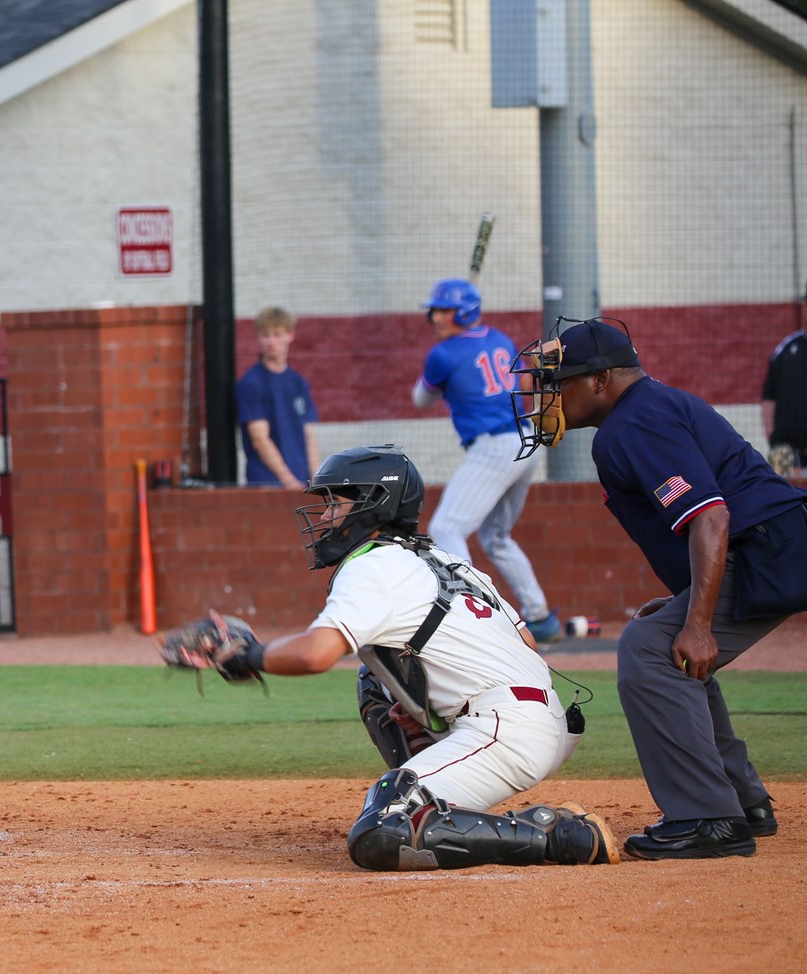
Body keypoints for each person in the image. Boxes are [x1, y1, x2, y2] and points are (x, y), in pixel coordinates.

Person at [160, 444, 616, 872]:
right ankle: (428, 792)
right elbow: (526, 646)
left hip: (505, 732)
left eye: (337, 503)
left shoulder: (372, 565)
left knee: (381, 831)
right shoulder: (448, 559)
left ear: (373, 505)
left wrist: (251, 655)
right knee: (376, 677)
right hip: (540, 720)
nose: (326, 516)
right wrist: (427, 702)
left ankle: (555, 835)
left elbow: (318, 653)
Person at [512, 318, 807, 860]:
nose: (548, 396)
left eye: (559, 382)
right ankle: (741, 803)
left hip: (770, 551)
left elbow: (711, 516)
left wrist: (697, 621)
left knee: (648, 649)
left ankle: (710, 819)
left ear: (600, 380)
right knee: (663, 642)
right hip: (776, 545)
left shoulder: (635, 423)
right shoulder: (643, 412)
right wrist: (688, 605)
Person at [414, 279, 560, 643]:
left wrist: (439, 368)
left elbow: (420, 399)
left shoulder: (442, 354)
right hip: (525, 443)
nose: (435, 317)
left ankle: (474, 611)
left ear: (464, 312)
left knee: (446, 529)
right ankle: (540, 618)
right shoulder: (499, 338)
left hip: (494, 448)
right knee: (495, 536)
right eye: (435, 310)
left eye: (443, 310)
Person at [235, 307, 319, 488]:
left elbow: (308, 436)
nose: (271, 341)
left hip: (302, 480)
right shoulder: (251, 382)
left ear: (290, 335)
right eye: (265, 335)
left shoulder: (298, 382)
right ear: (258, 337)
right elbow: (260, 440)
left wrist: (316, 480)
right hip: (268, 482)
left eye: (277, 334)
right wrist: (288, 481)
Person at [762, 325, 807, 477]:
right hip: (782, 447)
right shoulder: (786, 348)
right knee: (780, 493)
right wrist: (771, 433)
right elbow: (769, 396)